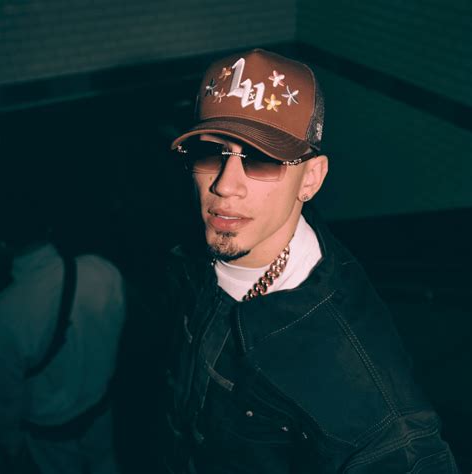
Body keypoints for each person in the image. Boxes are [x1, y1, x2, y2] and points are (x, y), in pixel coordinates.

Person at [160, 48, 459, 473]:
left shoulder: (354, 373)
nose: (226, 185)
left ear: (311, 179)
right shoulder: (189, 252)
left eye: (262, 159)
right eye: (211, 153)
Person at [0, 148, 125, 474]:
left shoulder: (7, 312)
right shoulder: (101, 270)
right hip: (101, 411)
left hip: (51, 435)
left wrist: (9, 446)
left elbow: (7, 398)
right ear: (49, 227)